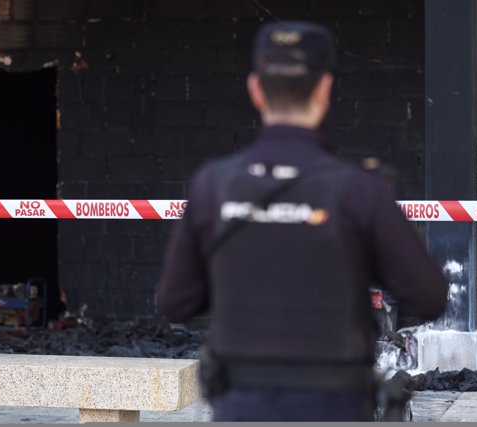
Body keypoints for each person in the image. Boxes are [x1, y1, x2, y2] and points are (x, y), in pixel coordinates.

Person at [156, 21, 448, 422]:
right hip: (334, 407)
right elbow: (430, 298)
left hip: (242, 407)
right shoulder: (360, 190)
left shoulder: (212, 185)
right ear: (325, 88)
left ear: (256, 89)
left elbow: (174, 303)